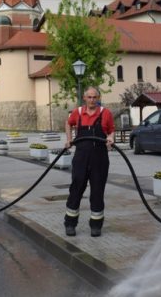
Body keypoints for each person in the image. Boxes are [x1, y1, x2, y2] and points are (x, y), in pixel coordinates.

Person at [63, 86, 115, 237]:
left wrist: (111, 138)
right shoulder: (78, 112)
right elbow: (68, 123)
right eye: (89, 97)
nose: (92, 100)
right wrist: (69, 139)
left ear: (98, 98)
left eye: (95, 97)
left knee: (97, 191)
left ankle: (96, 225)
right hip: (81, 157)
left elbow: (111, 129)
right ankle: (70, 223)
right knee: (76, 189)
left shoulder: (106, 113)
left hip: (100, 158)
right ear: (84, 98)